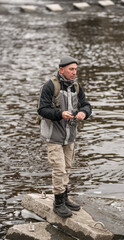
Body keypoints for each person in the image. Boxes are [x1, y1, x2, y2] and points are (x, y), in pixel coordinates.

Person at [37, 56, 92, 218]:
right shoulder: (49, 86)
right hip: (53, 136)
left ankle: (65, 197)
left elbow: (86, 105)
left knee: (67, 167)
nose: (74, 73)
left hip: (70, 136)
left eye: (75, 69)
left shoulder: (76, 86)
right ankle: (58, 203)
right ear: (62, 70)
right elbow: (42, 110)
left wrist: (84, 113)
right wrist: (60, 114)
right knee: (59, 169)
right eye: (71, 69)